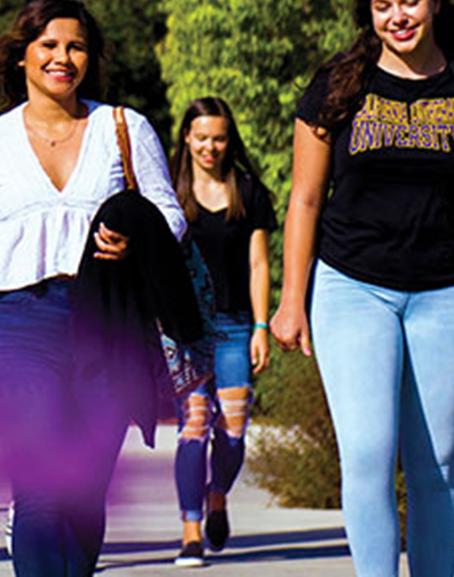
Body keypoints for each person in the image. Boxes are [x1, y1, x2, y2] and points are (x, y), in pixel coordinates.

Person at [269, 0, 454, 575]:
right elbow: (305, 199)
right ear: (369, 14)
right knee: (367, 452)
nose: (398, 17)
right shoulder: (338, 85)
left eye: (409, 1)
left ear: (435, 2)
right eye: (383, 6)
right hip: (352, 287)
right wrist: (289, 298)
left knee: (436, 463)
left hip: (449, 292)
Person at [0, 0, 185, 577]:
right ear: (23, 56)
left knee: (86, 493)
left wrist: (138, 237)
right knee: (39, 489)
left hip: (106, 326)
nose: (63, 57)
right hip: (18, 326)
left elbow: (171, 213)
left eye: (77, 47)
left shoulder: (124, 128)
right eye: (50, 45)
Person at [167, 97, 275, 567]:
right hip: (183, 331)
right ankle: (190, 531)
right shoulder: (168, 191)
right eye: (202, 137)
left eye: (219, 138)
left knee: (232, 432)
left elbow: (258, 263)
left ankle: (217, 495)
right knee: (194, 424)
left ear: (228, 141)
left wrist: (261, 326)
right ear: (186, 138)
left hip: (234, 326)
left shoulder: (249, 191)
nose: (210, 146)